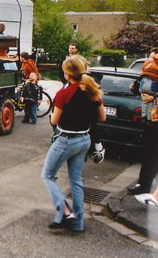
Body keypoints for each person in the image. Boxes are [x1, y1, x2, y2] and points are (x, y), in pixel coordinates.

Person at [42, 55, 106, 232]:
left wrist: (55, 114)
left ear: (67, 74)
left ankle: (64, 212)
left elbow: (55, 120)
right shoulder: (93, 91)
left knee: (47, 175)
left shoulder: (63, 93)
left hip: (66, 140)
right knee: (76, 180)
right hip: (85, 139)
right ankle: (78, 223)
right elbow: (102, 117)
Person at [127, 48, 158, 196]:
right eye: (150, 58)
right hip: (147, 120)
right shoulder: (146, 76)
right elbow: (138, 89)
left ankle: (146, 187)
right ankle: (143, 185)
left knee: (152, 155)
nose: (151, 61)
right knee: (148, 154)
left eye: (154, 58)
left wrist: (154, 98)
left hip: (156, 120)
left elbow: (152, 95)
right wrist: (134, 88)